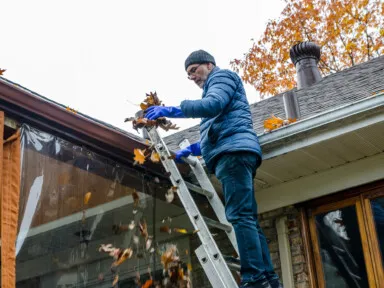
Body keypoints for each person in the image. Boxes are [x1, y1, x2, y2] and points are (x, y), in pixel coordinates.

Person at [145, 50, 282, 288]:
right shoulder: (216, 88)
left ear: (209, 65)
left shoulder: (221, 78)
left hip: (233, 154)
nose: (192, 77)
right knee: (247, 217)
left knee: (239, 216)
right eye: (188, 75)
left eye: (194, 70)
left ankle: (254, 279)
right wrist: (195, 149)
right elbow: (222, 127)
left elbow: (212, 105)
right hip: (234, 152)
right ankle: (268, 278)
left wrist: (171, 110)